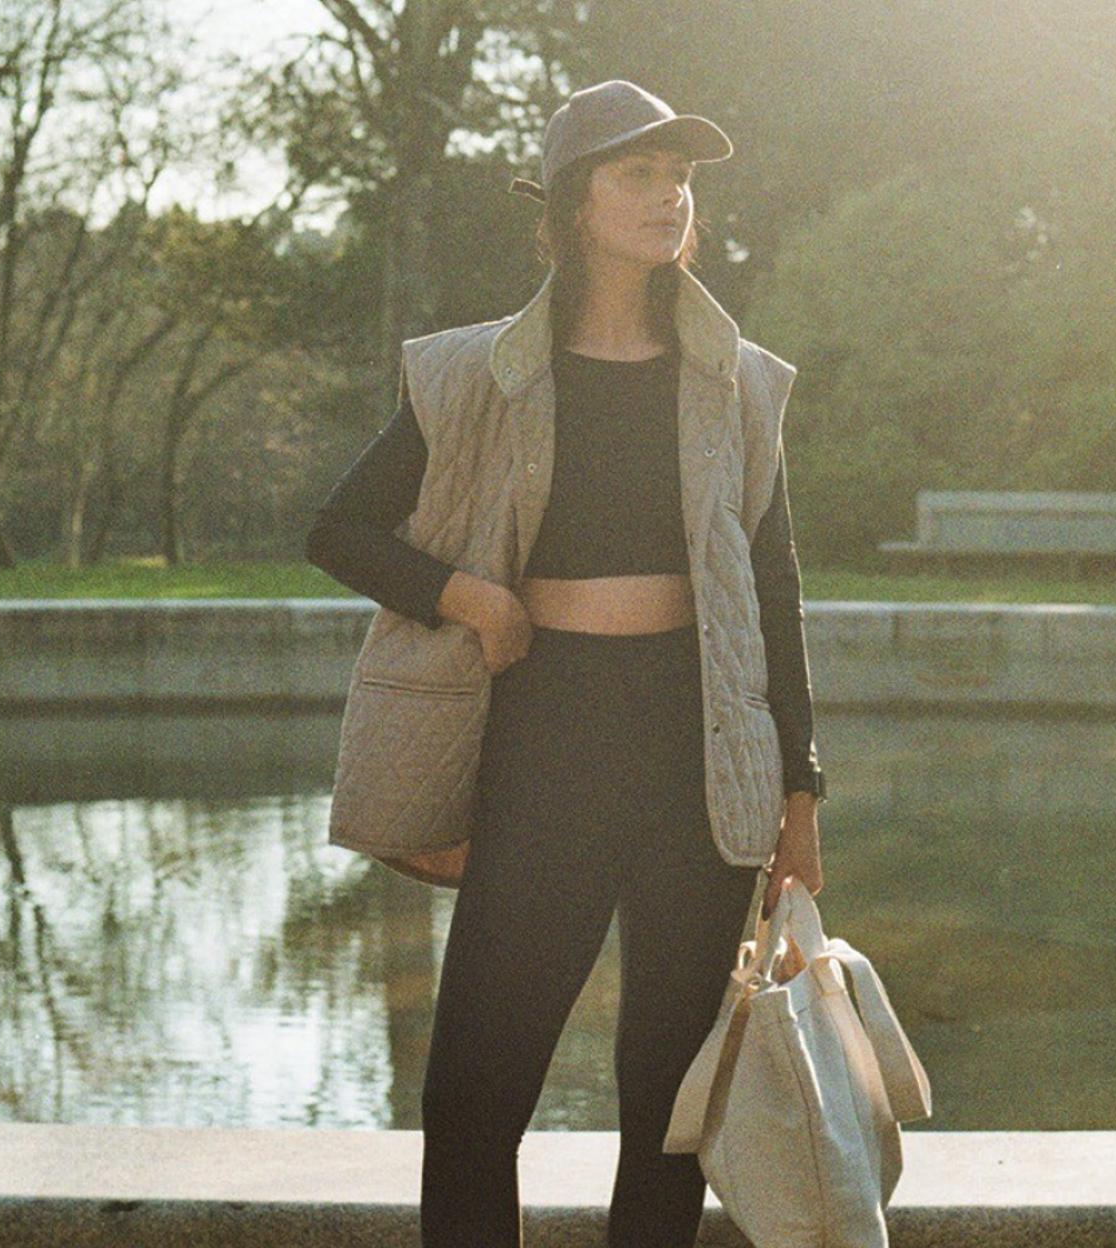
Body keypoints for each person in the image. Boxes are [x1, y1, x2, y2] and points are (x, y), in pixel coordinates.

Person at [305, 79, 826, 1248]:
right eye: (636, 173)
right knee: (472, 1097)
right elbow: (338, 530)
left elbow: (775, 590)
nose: (666, 195)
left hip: (697, 752)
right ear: (573, 204)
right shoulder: (475, 373)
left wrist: (801, 792)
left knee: (665, 1111)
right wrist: (468, 597)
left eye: (678, 176)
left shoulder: (740, 383)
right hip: (543, 742)